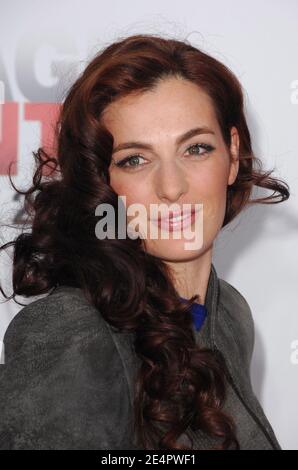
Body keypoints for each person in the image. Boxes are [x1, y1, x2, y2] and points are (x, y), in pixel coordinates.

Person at [0, 33, 290, 450]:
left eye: (196, 149)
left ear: (232, 153)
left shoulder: (229, 314)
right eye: (135, 159)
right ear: (104, 183)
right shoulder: (72, 329)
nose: (171, 187)